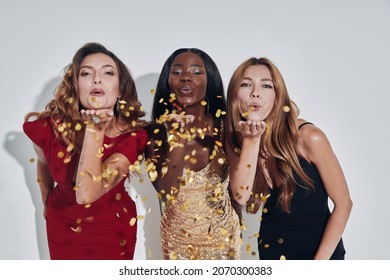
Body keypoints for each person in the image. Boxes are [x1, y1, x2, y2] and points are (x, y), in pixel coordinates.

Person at [23, 42, 148, 260]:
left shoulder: (133, 137)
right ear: (76, 86)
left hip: (112, 231)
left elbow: (86, 193)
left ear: (120, 90)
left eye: (108, 72)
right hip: (61, 227)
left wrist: (95, 128)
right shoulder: (49, 128)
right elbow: (42, 162)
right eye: (86, 73)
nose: (96, 79)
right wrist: (46, 204)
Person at [225, 57, 352, 260]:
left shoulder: (309, 137)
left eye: (266, 85)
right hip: (272, 254)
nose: (255, 92)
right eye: (246, 84)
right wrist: (252, 141)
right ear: (234, 95)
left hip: (322, 258)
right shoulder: (236, 140)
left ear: (278, 96)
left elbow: (344, 203)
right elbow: (241, 197)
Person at [144, 48, 241, 260]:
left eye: (197, 72)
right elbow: (166, 193)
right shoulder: (155, 132)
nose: (186, 77)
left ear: (210, 82)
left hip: (224, 243)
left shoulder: (226, 127)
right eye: (177, 72)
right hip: (176, 244)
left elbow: (240, 193)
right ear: (167, 82)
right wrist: (177, 138)